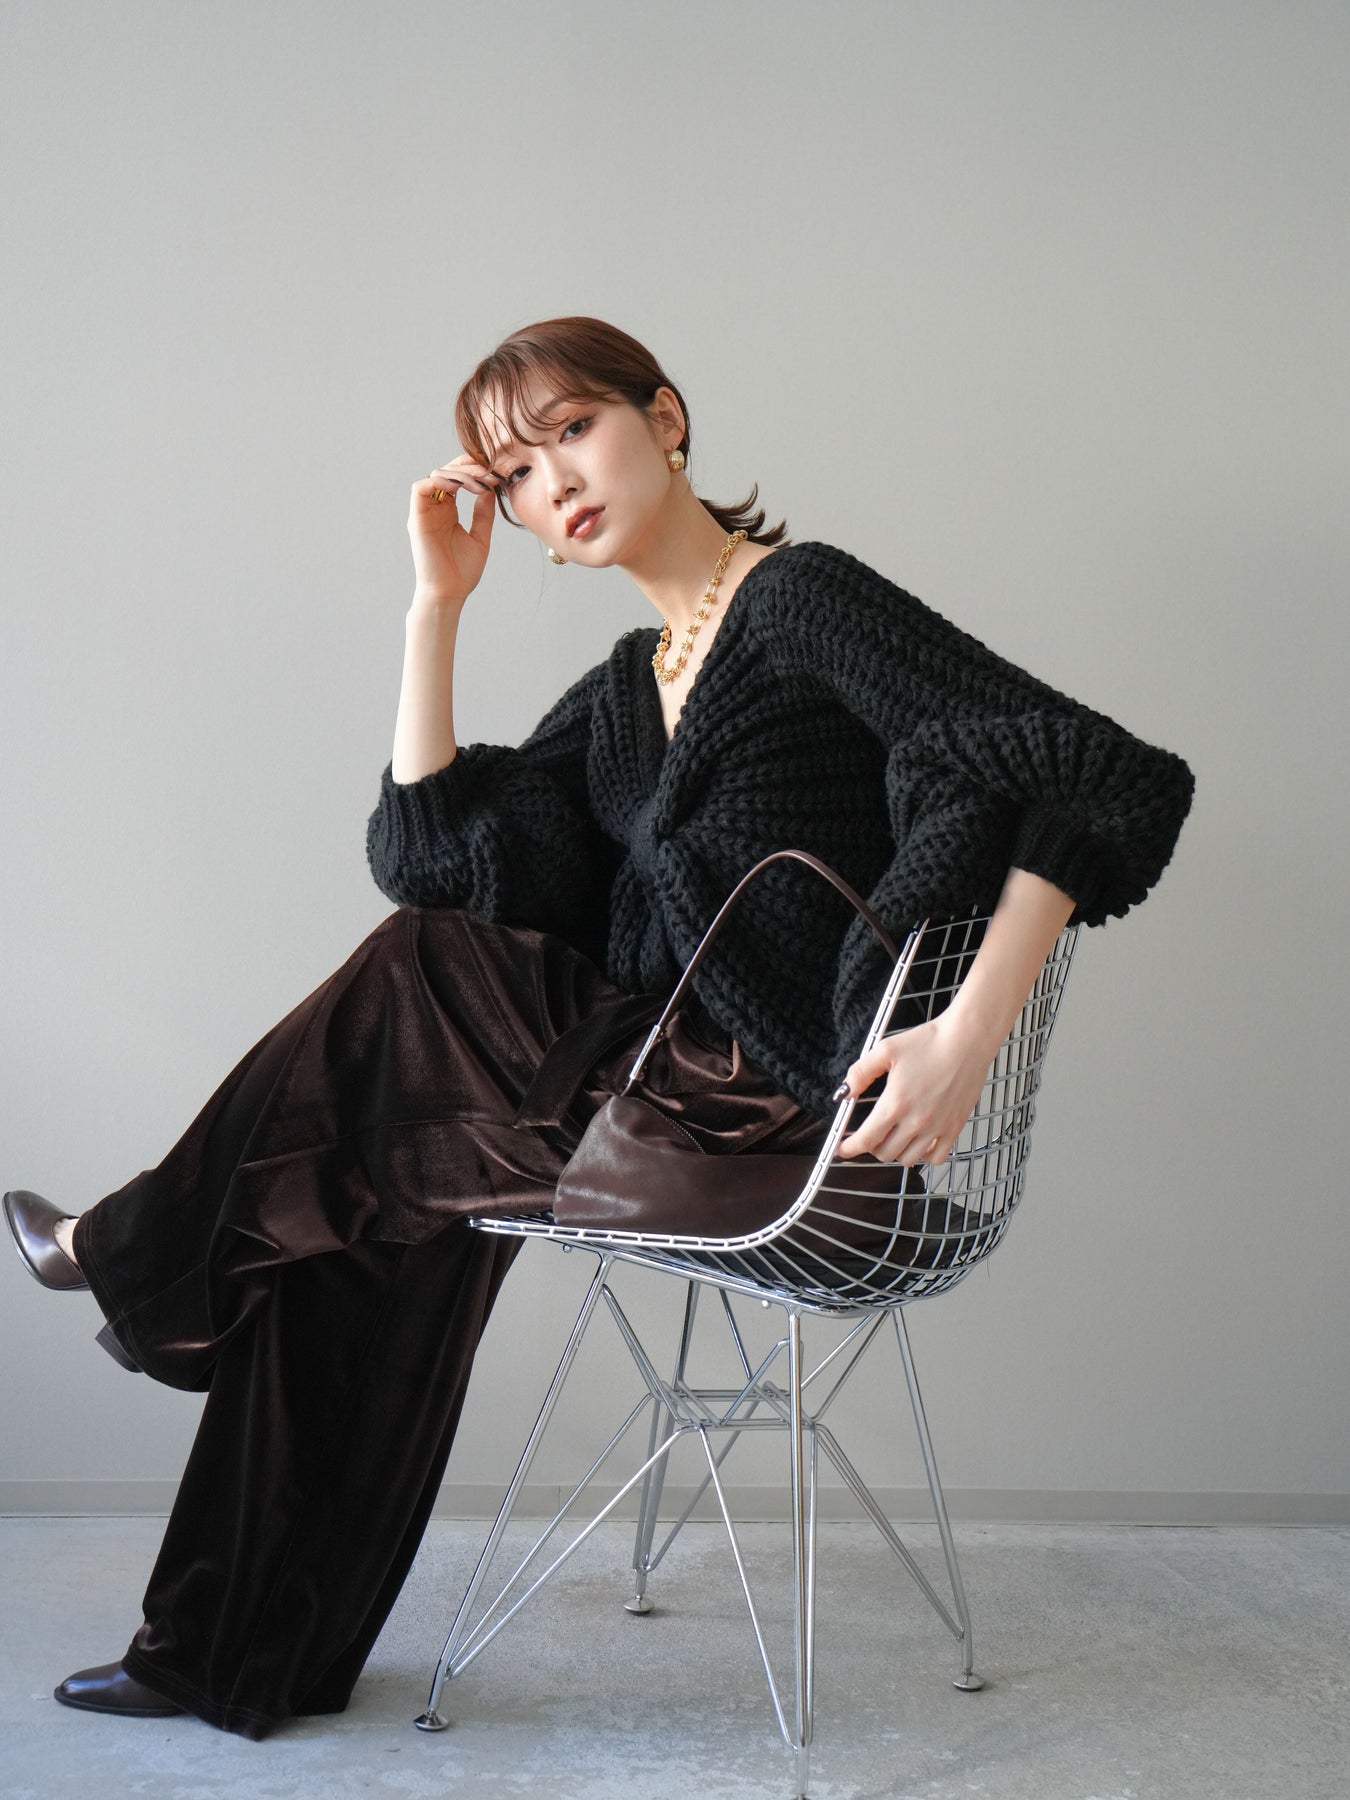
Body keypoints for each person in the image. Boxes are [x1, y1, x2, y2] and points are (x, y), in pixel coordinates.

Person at [3, 315, 1195, 1738]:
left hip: (772, 1111)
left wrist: (968, 1031)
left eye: (572, 430)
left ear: (664, 419)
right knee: (346, 1195)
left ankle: (138, 1257)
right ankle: (226, 1652)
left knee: (401, 1007)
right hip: (638, 1096)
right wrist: (434, 608)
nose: (551, 482)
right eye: (514, 472)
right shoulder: (629, 692)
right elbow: (434, 861)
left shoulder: (800, 601)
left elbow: (1102, 772)